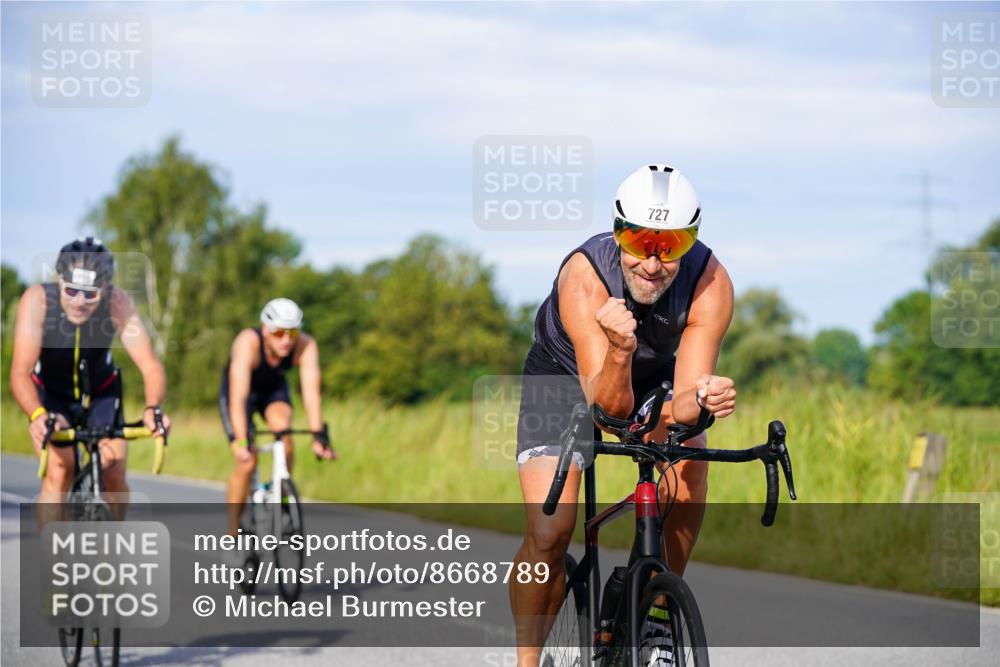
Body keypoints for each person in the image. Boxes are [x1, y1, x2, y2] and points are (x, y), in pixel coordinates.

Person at [509, 165, 736, 666]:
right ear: (617, 232)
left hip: (648, 374)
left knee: (690, 459)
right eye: (639, 241)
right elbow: (608, 411)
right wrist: (618, 348)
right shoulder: (584, 278)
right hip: (564, 380)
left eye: (670, 245)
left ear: (690, 241)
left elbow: (683, 406)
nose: (653, 263)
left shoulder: (711, 283)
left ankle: (655, 614)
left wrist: (705, 399)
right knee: (549, 533)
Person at [9, 237, 171, 503]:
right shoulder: (37, 301)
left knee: (114, 471)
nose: (79, 302)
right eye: (71, 291)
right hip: (52, 397)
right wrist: (37, 415)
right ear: (59, 280)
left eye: (90, 294)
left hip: (101, 394)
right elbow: (20, 372)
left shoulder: (117, 302)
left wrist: (153, 408)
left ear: (105, 289)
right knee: (60, 471)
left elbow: (150, 365)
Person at [220, 297, 335, 538]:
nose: (286, 340)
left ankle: (281, 494)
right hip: (240, 392)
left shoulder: (306, 346)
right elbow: (238, 398)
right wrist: (241, 441)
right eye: (279, 332)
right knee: (247, 461)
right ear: (265, 330)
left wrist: (318, 437)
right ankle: (232, 530)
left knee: (283, 430)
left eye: (292, 333)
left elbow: (311, 394)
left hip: (272, 389)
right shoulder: (247, 342)